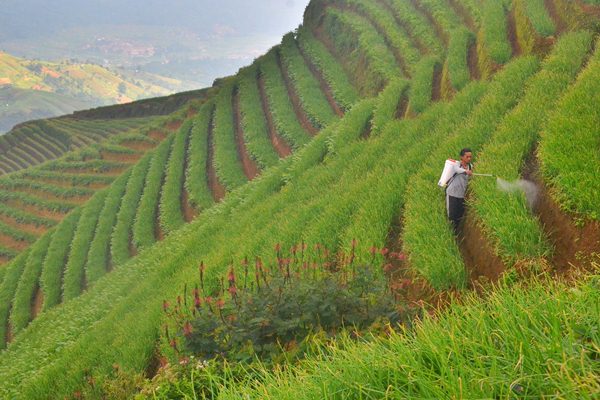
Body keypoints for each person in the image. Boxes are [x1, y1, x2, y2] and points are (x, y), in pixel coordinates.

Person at [446, 148, 473, 234]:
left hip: (461, 195)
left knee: (459, 216)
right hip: (452, 194)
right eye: (467, 157)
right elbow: (457, 170)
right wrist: (466, 172)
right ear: (461, 157)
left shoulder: (470, 166)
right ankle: (450, 235)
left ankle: (456, 234)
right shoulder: (457, 164)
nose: (469, 158)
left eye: (470, 157)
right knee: (452, 216)